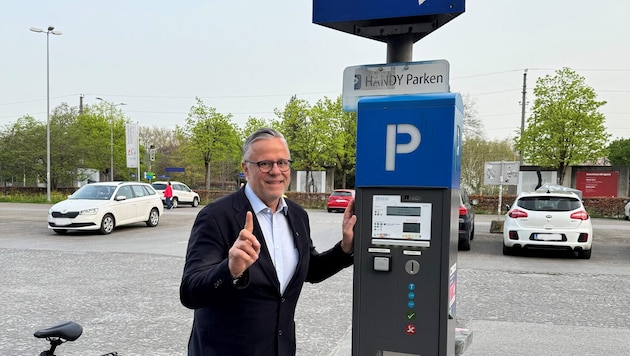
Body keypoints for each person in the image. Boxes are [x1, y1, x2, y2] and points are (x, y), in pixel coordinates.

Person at [179, 128, 356, 356]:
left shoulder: (297, 215)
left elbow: (309, 269)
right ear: (246, 168)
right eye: (265, 164)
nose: (276, 171)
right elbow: (190, 292)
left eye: (283, 162)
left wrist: (344, 249)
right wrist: (229, 270)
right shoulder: (216, 216)